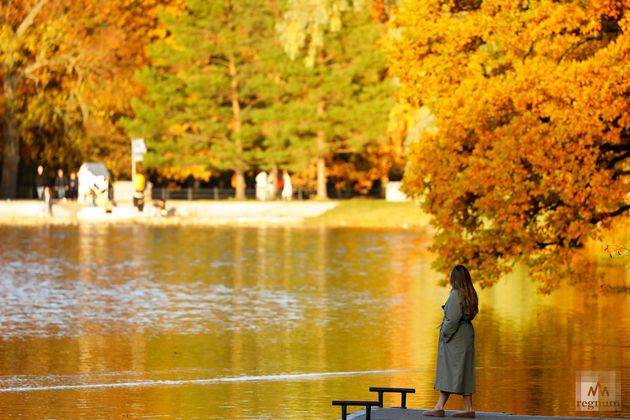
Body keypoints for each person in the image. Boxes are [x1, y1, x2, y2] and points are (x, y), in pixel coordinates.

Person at [423, 265, 478, 418]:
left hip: (455, 337)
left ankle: (442, 407)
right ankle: (465, 408)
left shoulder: (456, 294)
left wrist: (444, 335)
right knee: (464, 371)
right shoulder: (471, 293)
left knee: (448, 370)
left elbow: (452, 319)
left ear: (455, 279)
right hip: (467, 334)